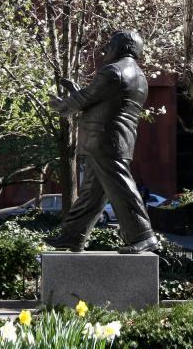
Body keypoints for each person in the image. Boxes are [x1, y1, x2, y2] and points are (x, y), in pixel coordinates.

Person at [47, 30, 159, 254]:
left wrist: (63, 106)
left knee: (121, 188)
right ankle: (73, 237)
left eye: (110, 45)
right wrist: (77, 93)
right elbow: (103, 100)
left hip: (105, 140)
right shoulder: (138, 76)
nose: (106, 50)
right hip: (117, 140)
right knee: (92, 193)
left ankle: (143, 235)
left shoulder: (113, 71)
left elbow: (87, 98)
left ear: (121, 47)